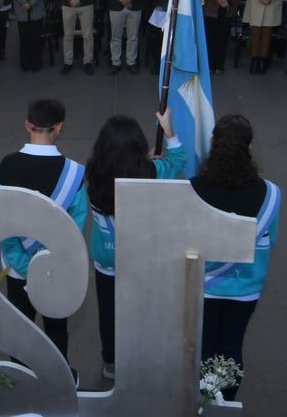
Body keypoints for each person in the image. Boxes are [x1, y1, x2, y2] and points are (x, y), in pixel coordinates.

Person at [87, 108, 183, 380]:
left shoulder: (93, 174)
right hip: (143, 258)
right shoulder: (153, 172)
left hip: (106, 261)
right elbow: (178, 161)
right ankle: (142, 357)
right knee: (143, 310)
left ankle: (111, 362)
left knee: (108, 312)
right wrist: (169, 132)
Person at [0, 98, 85, 372]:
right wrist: (46, 262)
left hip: (16, 269)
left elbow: (0, 222)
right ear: (59, 127)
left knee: (20, 331)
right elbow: (73, 229)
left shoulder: (6, 166)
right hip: (54, 269)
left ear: (27, 125)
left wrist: (23, 264)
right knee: (57, 330)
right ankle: (59, 384)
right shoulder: (75, 173)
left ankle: (20, 384)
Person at [191, 114, 278, 401]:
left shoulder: (193, 189)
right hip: (246, 287)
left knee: (204, 347)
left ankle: (203, 398)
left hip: (203, 285)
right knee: (231, 347)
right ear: (250, 147)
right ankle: (225, 401)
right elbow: (270, 239)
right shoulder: (271, 194)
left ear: (213, 143)